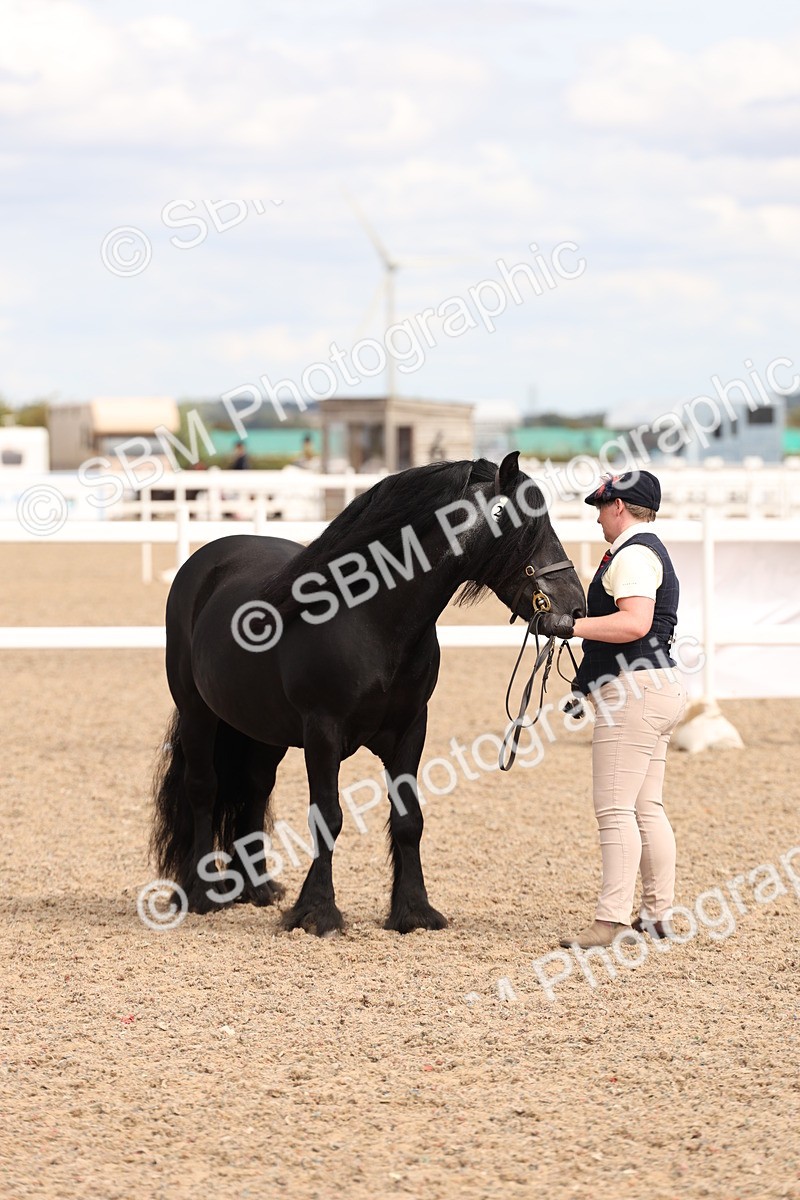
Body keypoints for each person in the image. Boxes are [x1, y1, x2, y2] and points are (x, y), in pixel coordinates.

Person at [538, 470, 686, 949]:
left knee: (615, 808)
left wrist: (569, 626)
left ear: (619, 506)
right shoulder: (645, 550)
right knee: (646, 807)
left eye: (602, 507)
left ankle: (612, 921)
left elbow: (635, 622)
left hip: (634, 693)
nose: (598, 517)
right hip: (656, 686)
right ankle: (657, 915)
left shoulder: (633, 555)